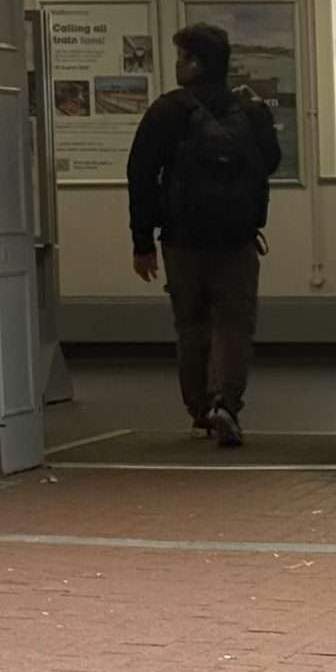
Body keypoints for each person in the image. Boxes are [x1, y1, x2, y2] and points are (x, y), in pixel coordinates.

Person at [127, 23, 282, 448]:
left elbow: (140, 175)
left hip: (181, 240)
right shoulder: (249, 111)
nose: (177, 65)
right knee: (234, 325)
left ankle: (199, 411)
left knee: (191, 325)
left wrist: (142, 241)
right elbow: (269, 162)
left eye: (180, 57)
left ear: (195, 63)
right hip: (238, 240)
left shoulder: (167, 111)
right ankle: (226, 405)